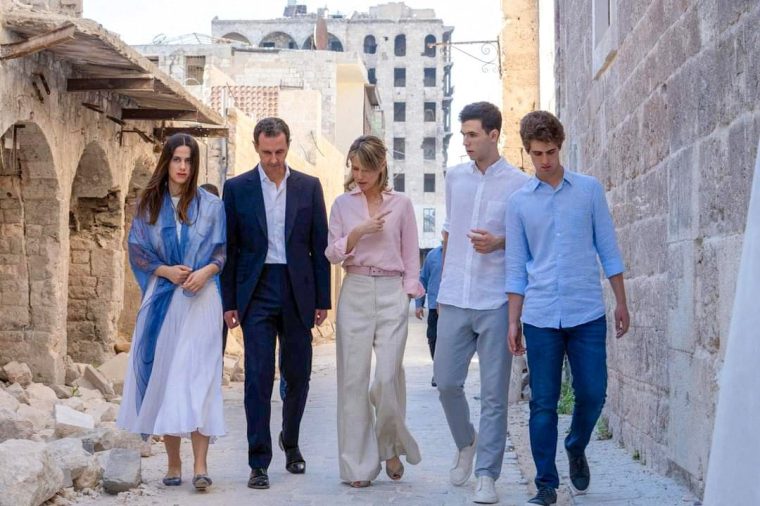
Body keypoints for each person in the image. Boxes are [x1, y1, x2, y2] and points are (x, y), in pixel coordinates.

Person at [506, 111, 630, 506]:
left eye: (552, 151)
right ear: (527, 152)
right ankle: (546, 484)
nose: (546, 160)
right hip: (540, 315)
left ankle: (576, 445)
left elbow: (608, 249)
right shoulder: (519, 203)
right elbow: (515, 268)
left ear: (562, 146)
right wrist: (514, 321)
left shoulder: (589, 191)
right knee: (543, 402)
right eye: (538, 153)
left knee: (593, 393)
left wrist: (622, 302)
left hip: (586, 312)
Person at [220, 117, 331, 490]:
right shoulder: (237, 189)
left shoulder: (309, 187)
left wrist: (322, 299)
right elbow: (231, 249)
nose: (273, 159)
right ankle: (258, 460)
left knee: (298, 374)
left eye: (279, 152)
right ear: (256, 148)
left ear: (288, 146)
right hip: (256, 289)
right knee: (257, 376)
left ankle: (292, 440)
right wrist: (230, 301)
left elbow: (319, 246)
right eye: (267, 152)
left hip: (298, 288)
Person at [117, 133, 226, 492]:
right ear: (167, 162)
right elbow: (138, 251)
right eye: (177, 159)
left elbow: (221, 253)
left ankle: (201, 465)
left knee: (201, 379)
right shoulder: (149, 205)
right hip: (164, 302)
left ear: (195, 165)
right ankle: (174, 462)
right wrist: (165, 271)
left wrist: (204, 272)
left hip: (202, 301)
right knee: (169, 377)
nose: (183, 167)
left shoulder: (210, 206)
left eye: (189, 160)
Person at [434, 102, 529, 504]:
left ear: (494, 135)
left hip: (495, 300)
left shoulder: (520, 184)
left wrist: (500, 242)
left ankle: (487, 474)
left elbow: (527, 241)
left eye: (472, 134)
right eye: (463, 135)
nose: (466, 142)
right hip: (455, 296)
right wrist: (439, 287)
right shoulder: (455, 177)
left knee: (493, 394)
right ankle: (466, 441)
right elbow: (448, 234)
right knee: (447, 382)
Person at [325, 135, 424, 488]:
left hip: (392, 291)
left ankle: (390, 445)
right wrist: (356, 233)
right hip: (355, 290)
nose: (359, 175)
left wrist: (410, 293)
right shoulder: (341, 204)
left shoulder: (402, 204)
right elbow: (332, 253)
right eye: (354, 168)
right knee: (352, 381)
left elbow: (411, 253)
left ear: (381, 166)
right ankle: (357, 467)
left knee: (386, 378)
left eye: (365, 169)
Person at [415, 241, 443, 387]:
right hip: (434, 308)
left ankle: (448, 375)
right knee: (433, 338)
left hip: (454, 308)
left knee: (453, 342)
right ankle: (438, 371)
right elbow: (422, 280)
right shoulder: (432, 256)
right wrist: (419, 305)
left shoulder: (459, 255)